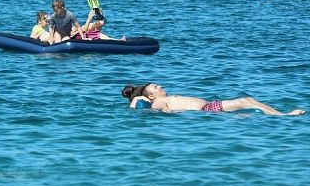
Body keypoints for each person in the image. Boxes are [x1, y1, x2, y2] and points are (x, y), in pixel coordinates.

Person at [123, 83, 305, 115]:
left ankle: (278, 115)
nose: (161, 86)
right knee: (246, 100)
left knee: (247, 111)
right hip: (208, 110)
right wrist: (135, 101)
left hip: (210, 109)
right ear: (151, 95)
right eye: (156, 87)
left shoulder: (161, 98)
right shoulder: (158, 101)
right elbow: (165, 112)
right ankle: (283, 115)